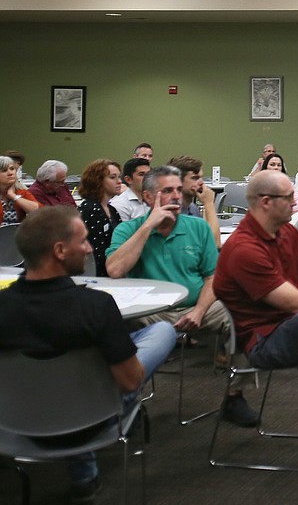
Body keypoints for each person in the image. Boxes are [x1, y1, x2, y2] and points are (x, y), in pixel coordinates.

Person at [0, 206, 175, 505]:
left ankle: (84, 476)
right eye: (82, 241)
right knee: (161, 332)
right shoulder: (96, 307)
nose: (89, 247)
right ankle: (83, 469)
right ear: (59, 250)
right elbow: (130, 381)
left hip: (13, 424)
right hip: (91, 419)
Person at [105, 166, 256, 426]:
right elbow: (115, 270)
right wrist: (148, 226)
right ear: (148, 197)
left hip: (198, 306)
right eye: (167, 191)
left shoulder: (197, 228)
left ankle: (235, 395)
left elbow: (212, 278)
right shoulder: (129, 229)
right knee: (111, 325)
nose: (176, 196)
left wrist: (198, 311)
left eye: (177, 190)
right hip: (148, 311)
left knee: (247, 317)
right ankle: (127, 404)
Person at [213, 170, 298, 370]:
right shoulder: (243, 249)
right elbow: (292, 301)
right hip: (264, 343)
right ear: (266, 202)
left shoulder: (287, 231)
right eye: (288, 198)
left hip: (292, 326)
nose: (295, 203)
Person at [77, 159, 122, 276]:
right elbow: (95, 254)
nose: (119, 181)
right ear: (97, 181)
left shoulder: (112, 209)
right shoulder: (90, 209)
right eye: (113, 177)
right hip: (99, 275)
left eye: (119, 177)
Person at [167, 155, 222, 244]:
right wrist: (209, 204)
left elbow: (205, 232)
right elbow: (214, 244)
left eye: (201, 178)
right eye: (195, 178)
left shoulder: (192, 208)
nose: (201, 183)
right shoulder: (173, 212)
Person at [109, 157, 151, 222]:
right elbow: (123, 232)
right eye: (142, 174)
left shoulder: (152, 199)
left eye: (149, 174)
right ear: (128, 180)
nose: (148, 178)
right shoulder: (120, 204)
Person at [0, 154, 40, 224]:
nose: (10, 173)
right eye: (4, 170)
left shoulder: (22, 192)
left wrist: (14, 196)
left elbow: (38, 212)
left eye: (12, 169)